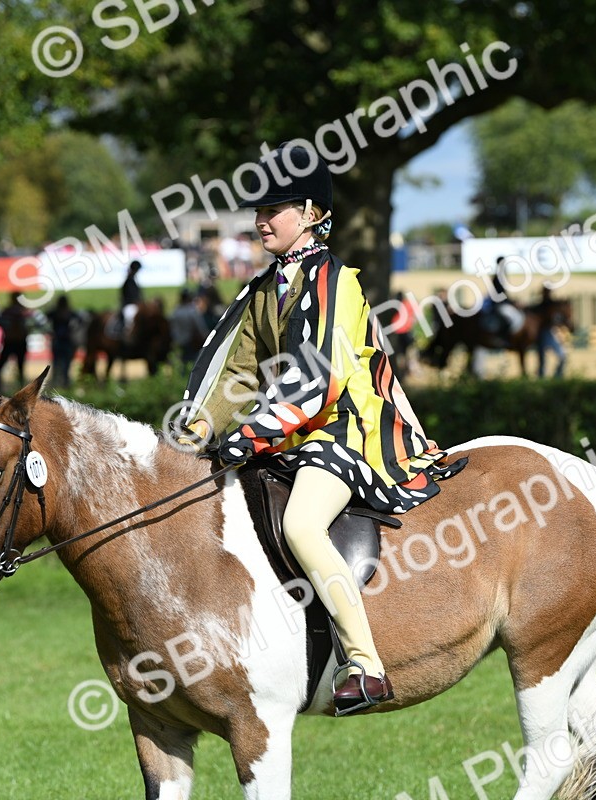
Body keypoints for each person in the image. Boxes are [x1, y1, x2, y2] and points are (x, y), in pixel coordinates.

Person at [173, 142, 465, 715]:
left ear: (310, 213)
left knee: (302, 523)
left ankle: (366, 664)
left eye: (273, 209)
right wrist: (195, 432)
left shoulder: (337, 280)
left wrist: (247, 438)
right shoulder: (264, 291)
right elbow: (238, 375)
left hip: (344, 431)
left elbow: (318, 377)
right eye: (257, 210)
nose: (259, 220)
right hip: (287, 435)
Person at [0, 292, 30, 393]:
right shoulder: (25, 312)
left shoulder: (7, 311)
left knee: (0, 367)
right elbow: (32, 325)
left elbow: (0, 323)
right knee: (20, 367)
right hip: (19, 342)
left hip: (10, 341)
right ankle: (20, 388)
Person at [169, 288, 211, 369]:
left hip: (177, 342)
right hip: (189, 343)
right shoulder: (192, 311)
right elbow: (200, 327)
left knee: (179, 363)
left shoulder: (175, 311)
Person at [49, 294, 83, 389]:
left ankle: (55, 383)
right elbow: (80, 320)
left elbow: (46, 317)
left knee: (56, 364)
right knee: (66, 365)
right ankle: (65, 384)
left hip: (58, 341)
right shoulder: (70, 313)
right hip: (67, 342)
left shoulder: (54, 313)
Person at [534, 284, 567, 379]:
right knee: (542, 360)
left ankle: (557, 377)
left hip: (550, 332)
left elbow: (559, 320)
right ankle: (543, 378)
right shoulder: (540, 306)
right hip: (542, 334)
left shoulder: (554, 305)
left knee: (562, 355)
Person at [120, 260, 144, 339]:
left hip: (135, 305)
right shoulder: (129, 280)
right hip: (130, 306)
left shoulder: (133, 279)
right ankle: (128, 337)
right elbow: (132, 296)